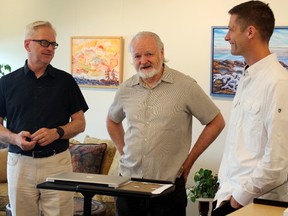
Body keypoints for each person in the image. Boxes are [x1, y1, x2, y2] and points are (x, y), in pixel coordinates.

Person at [106, 31, 225, 216]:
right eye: (137, 56)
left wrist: (189, 162)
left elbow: (216, 122)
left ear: (162, 53)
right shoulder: (125, 89)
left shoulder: (185, 86)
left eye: (149, 54)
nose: (143, 60)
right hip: (128, 185)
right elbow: (112, 121)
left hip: (167, 188)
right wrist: (123, 151)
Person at [0, 21, 89, 216]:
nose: (50, 48)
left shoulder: (66, 82)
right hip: (19, 164)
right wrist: (15, 138)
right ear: (27, 45)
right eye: (44, 43)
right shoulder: (6, 83)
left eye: (53, 44)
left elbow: (80, 123)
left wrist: (57, 132)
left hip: (57, 162)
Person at [212, 1, 288, 215]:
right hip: (229, 196)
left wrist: (237, 200)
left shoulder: (279, 83)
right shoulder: (247, 78)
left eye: (231, 29)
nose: (227, 36)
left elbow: (277, 162)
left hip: (254, 204)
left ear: (250, 32)